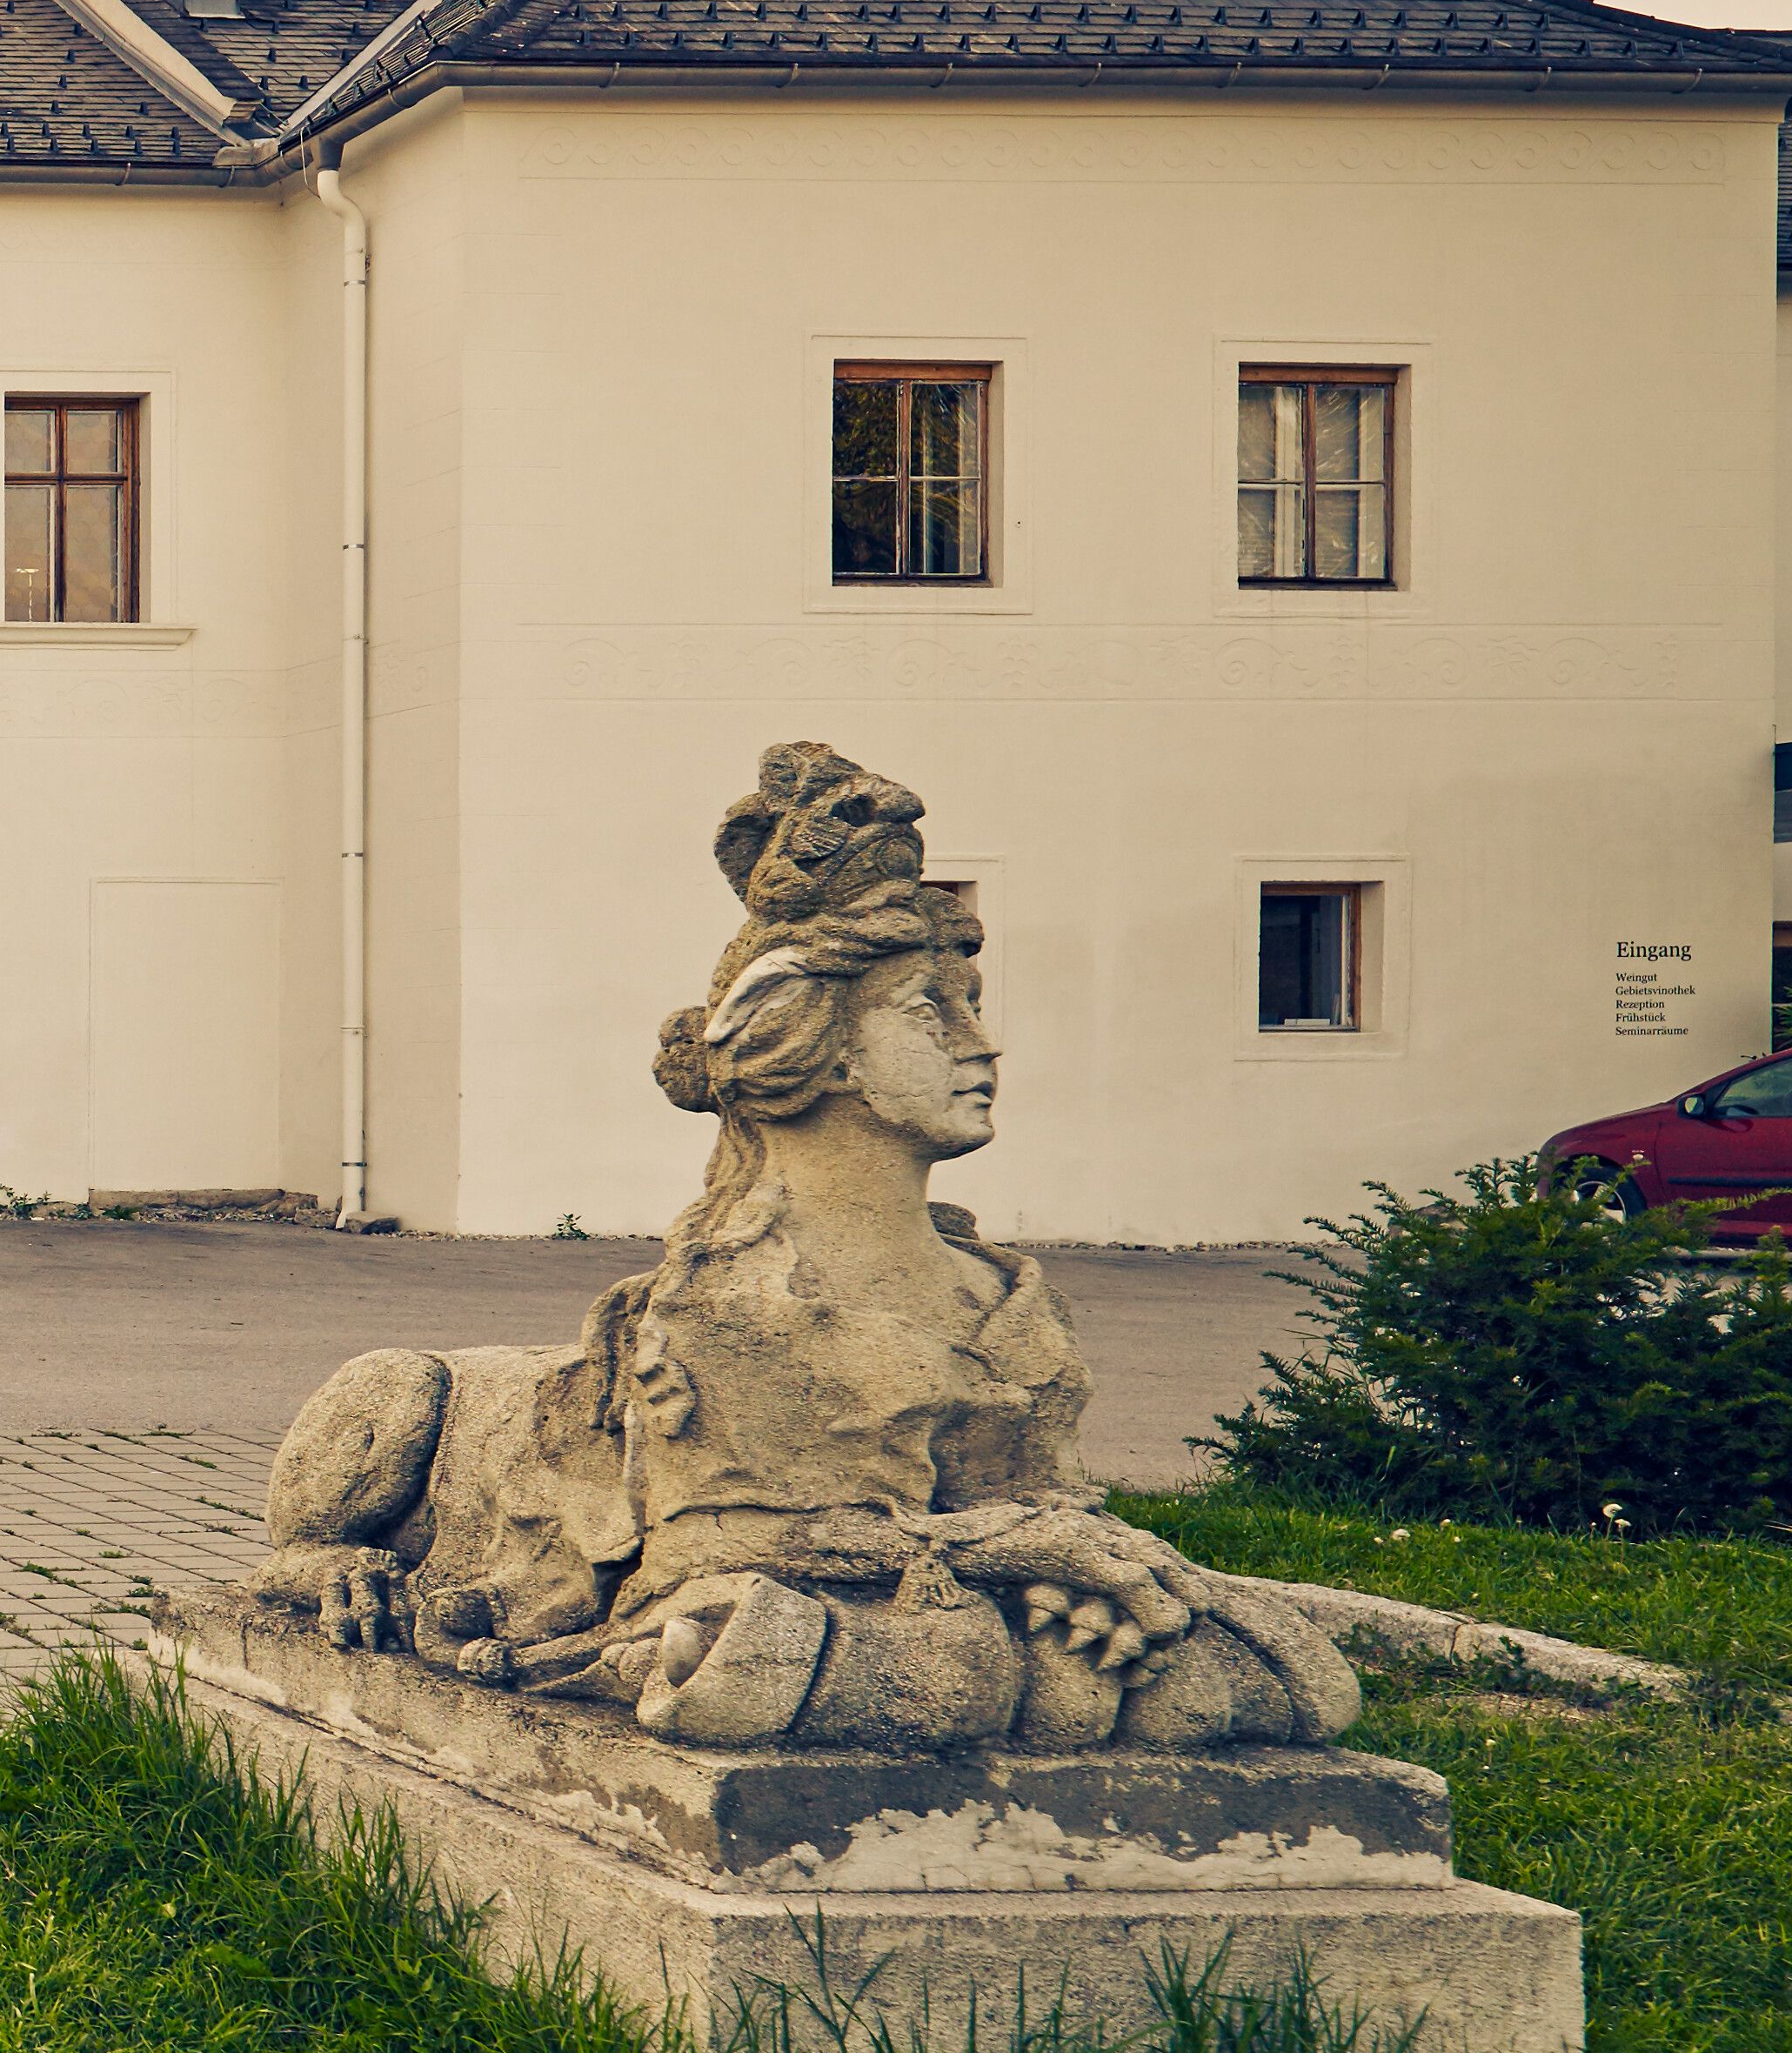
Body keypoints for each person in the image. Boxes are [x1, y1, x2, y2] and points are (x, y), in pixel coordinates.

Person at [247, 745, 1354, 1750]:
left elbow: (1039, 1505)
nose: (984, 1042)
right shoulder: (725, 1315)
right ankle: (307, 1558)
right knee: (402, 1391)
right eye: (935, 1013)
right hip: (540, 1495)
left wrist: (1062, 1568)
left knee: (1215, 1669)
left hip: (901, 1577)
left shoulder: (1009, 1303)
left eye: (973, 1004)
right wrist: (1012, 1552)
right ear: (815, 1051)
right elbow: (710, 1555)